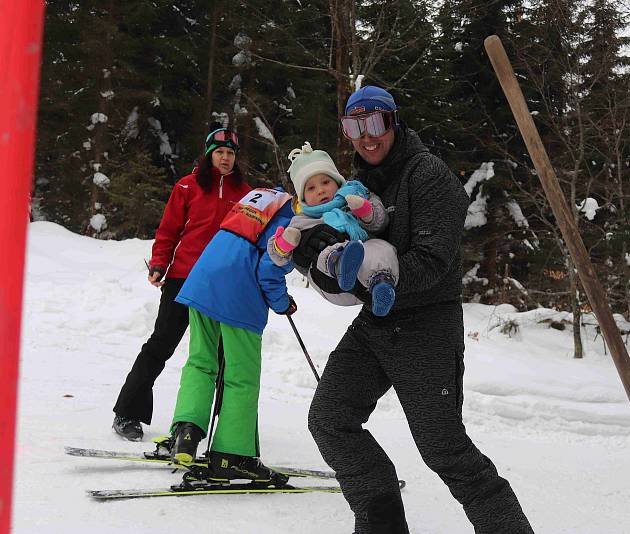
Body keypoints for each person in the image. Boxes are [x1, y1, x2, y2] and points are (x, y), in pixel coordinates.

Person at [304, 86, 534, 533]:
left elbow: (432, 261)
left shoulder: (428, 175)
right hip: (375, 322)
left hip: (427, 322)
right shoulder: (355, 189)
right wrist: (313, 256)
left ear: (393, 123)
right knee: (331, 420)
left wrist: (376, 281)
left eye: (374, 124)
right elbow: (344, 281)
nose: (366, 137)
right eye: (354, 127)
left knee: (443, 448)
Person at [111, 127, 251, 441]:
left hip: (221, 285)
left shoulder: (245, 194)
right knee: (161, 344)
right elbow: (168, 230)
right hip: (183, 279)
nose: (225, 158)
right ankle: (128, 413)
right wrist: (160, 262)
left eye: (230, 153)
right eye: (220, 152)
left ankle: (218, 426)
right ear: (209, 154)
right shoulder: (187, 186)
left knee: (219, 355)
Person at [168, 187, 296, 484]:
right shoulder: (292, 219)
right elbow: (269, 268)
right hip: (240, 293)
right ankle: (231, 456)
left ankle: (186, 431)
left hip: (204, 278)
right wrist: (281, 302)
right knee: (242, 377)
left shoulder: (263, 195)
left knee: (201, 361)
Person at [267, 141, 399, 317]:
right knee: (325, 250)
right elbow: (279, 258)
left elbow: (381, 222)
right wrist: (283, 245)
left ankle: (381, 286)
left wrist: (365, 212)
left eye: (325, 182)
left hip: (366, 276)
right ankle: (339, 264)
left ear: (338, 182)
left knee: (380, 247)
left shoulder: (356, 195)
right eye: (311, 188)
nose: (321, 190)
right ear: (302, 197)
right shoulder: (302, 221)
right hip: (333, 285)